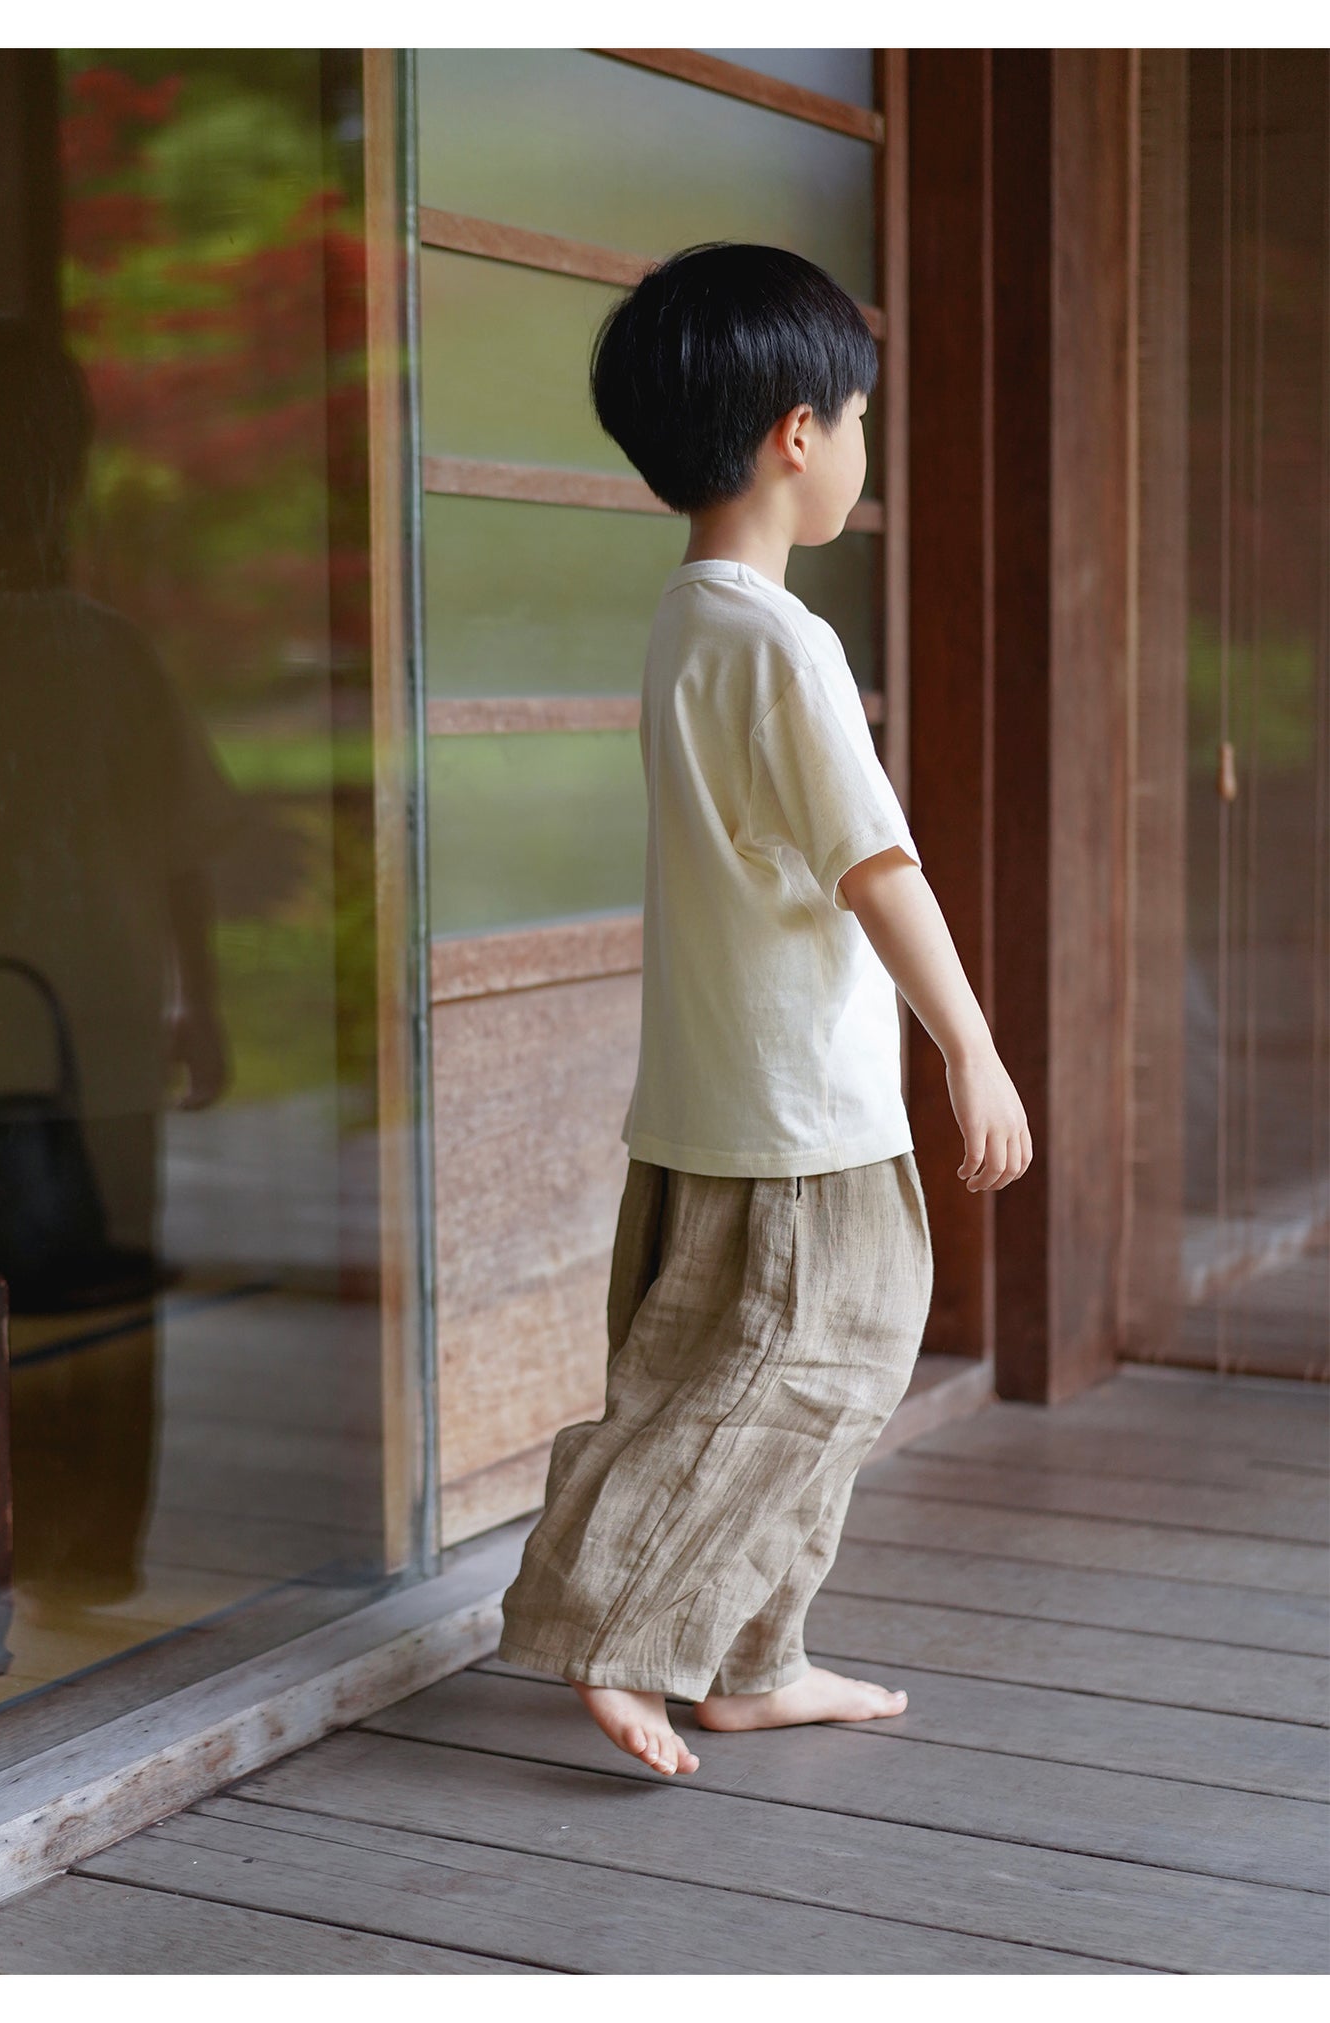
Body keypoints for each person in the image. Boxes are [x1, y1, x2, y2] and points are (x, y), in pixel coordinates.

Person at [496, 243, 1032, 1778]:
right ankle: (616, 1628)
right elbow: (877, 867)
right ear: (800, 432)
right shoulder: (783, 645)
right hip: (801, 1115)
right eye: (856, 417)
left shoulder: (687, 621)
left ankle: (750, 1659)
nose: (861, 448)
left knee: (724, 1370)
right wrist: (971, 1046)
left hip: (717, 1096)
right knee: (804, 1375)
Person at [0, 306, 244, 1603]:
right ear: (71, 467)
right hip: (102, 1054)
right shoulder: (115, 654)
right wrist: (196, 1005)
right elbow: (186, 844)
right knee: (102, 1306)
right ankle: (92, 1558)